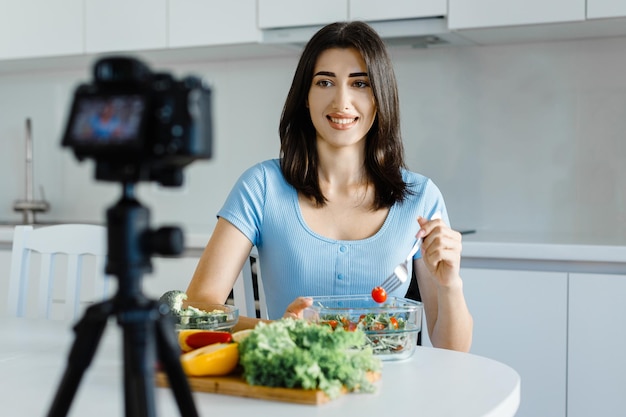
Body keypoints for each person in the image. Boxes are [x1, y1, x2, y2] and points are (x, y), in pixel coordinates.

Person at [186, 21, 473, 352]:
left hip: (390, 393)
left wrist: (451, 284)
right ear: (305, 97)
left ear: (381, 98)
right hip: (297, 387)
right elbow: (198, 306)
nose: (342, 101)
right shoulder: (261, 186)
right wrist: (280, 330)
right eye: (324, 82)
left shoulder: (421, 197)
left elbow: (454, 351)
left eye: (360, 83)